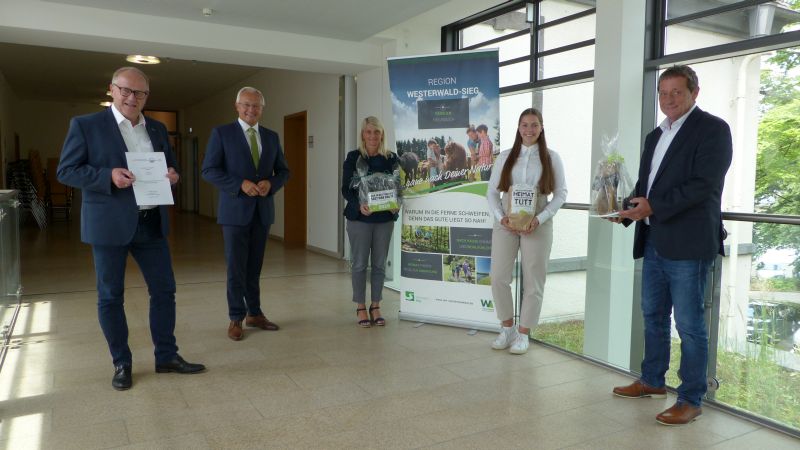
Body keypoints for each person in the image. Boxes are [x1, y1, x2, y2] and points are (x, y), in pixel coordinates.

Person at [57, 66, 206, 391]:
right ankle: (121, 363)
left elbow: (172, 165)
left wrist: (174, 175)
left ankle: (167, 356)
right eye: (125, 90)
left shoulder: (157, 128)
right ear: (112, 89)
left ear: (146, 97)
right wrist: (106, 176)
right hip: (108, 224)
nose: (132, 97)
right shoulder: (86, 125)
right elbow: (66, 170)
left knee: (164, 291)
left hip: (151, 222)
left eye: (139, 93)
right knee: (111, 296)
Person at [610, 65, 732, 426]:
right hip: (655, 239)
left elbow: (703, 185)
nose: (668, 99)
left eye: (676, 92)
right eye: (663, 92)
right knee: (653, 315)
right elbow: (648, 185)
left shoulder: (713, 129)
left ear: (695, 92)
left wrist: (653, 206)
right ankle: (652, 380)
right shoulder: (655, 135)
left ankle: (691, 397)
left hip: (690, 244)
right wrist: (628, 207)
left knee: (691, 325)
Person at [201, 87, 290, 341]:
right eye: (247, 105)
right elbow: (209, 170)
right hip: (234, 212)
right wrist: (239, 184)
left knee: (255, 267)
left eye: (257, 106)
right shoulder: (222, 134)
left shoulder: (271, 137)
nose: (251, 110)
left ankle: (255, 313)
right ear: (237, 106)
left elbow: (284, 171)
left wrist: (270, 184)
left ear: (262, 109)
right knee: (236, 268)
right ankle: (235, 317)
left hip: (262, 212)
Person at [487, 108, 567, 355]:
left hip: (537, 221)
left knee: (534, 280)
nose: (529, 130)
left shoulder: (552, 158)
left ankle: (523, 334)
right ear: (518, 128)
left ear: (541, 128)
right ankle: (507, 327)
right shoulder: (506, 157)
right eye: (524, 125)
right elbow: (491, 192)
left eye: (534, 125)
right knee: (498, 277)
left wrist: (540, 219)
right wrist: (501, 218)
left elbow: (561, 193)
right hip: (506, 222)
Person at [341, 116, 400, 328]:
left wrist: (397, 203)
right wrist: (359, 205)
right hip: (359, 218)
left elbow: (398, 187)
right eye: (368, 132)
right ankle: (360, 306)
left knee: (379, 264)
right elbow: (346, 188)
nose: (373, 136)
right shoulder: (353, 157)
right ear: (363, 135)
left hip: (384, 219)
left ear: (381, 134)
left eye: (376, 132)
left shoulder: (392, 158)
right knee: (358, 264)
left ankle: (376, 306)